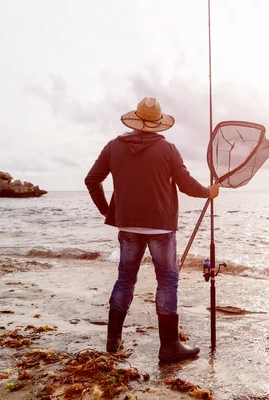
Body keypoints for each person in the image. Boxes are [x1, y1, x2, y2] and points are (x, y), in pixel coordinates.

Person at [84, 97, 220, 362]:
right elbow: (186, 184)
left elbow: (92, 180)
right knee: (167, 281)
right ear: (158, 123)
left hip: (128, 226)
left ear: (135, 120)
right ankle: (169, 346)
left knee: (125, 279)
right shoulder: (168, 149)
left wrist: (107, 210)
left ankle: (113, 341)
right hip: (161, 227)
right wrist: (209, 192)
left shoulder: (113, 146)